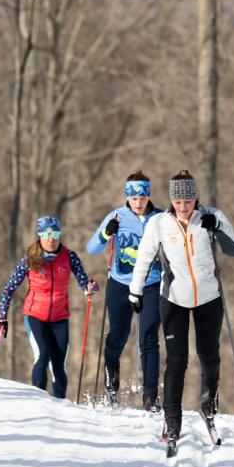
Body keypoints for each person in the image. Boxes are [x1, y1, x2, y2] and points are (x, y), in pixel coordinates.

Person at [126, 170, 234, 442]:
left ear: (195, 198)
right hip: (174, 300)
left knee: (209, 356)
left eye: (188, 200)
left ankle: (209, 406)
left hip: (209, 298)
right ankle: (172, 420)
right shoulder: (159, 223)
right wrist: (135, 290)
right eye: (178, 201)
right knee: (176, 361)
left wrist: (219, 228)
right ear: (171, 201)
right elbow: (144, 257)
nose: (183, 206)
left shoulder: (210, 217)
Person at [0, 215, 99, 399]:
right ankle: (38, 402)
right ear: (40, 235)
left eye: (55, 233)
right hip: (35, 316)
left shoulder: (69, 256)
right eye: (47, 233)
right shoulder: (30, 258)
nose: (51, 238)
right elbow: (9, 288)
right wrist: (1, 318)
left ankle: (60, 406)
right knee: (42, 356)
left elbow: (83, 280)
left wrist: (88, 287)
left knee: (58, 365)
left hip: (60, 318)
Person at [86, 172, 164, 410]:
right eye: (133, 196)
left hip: (150, 283)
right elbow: (92, 248)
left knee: (149, 338)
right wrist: (106, 232)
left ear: (148, 194)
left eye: (142, 196)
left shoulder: (161, 218)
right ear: (127, 196)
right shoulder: (117, 216)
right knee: (118, 335)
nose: (138, 201)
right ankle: (112, 383)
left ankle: (150, 396)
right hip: (120, 282)